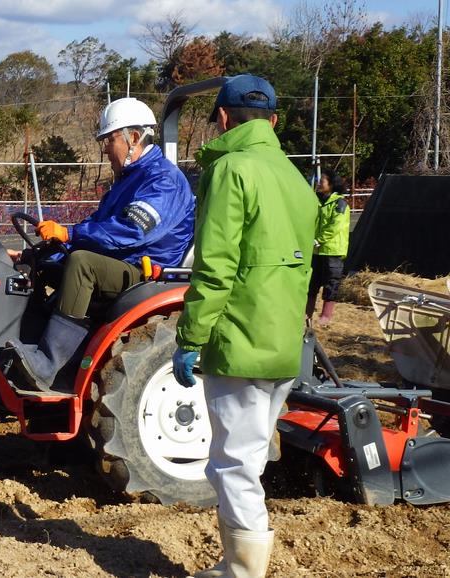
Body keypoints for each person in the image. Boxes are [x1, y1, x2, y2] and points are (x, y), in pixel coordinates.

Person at [171, 75, 316, 578]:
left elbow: (216, 265)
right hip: (283, 343)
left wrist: (190, 337)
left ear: (224, 118)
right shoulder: (297, 179)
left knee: (231, 463)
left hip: (240, 339)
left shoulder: (231, 169)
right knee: (248, 459)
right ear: (274, 121)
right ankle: (239, 563)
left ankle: (243, 572)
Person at [6, 97, 195, 392]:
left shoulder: (163, 181)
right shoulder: (126, 181)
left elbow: (131, 231)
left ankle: (50, 363)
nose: (104, 148)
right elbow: (98, 229)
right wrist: (37, 254)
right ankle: (27, 344)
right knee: (42, 265)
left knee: (83, 264)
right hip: (121, 261)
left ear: (134, 137)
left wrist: (69, 234)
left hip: (144, 270)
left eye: (109, 139)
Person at [306, 168, 350, 326]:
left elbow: (335, 226)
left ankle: (326, 316)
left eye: (322, 181)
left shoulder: (340, 203)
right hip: (316, 250)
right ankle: (307, 313)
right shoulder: (316, 201)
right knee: (312, 282)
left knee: (331, 283)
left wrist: (319, 239)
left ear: (331, 184)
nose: (319, 183)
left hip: (332, 250)